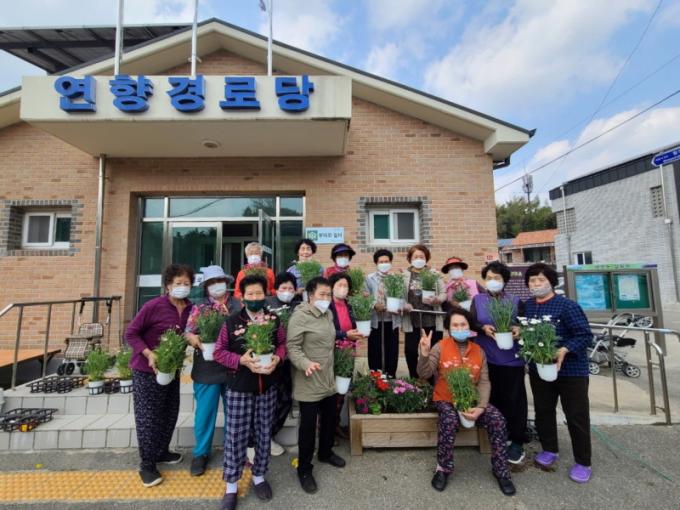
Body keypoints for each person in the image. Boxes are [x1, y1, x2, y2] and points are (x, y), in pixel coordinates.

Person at [417, 308, 516, 496]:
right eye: (455, 325)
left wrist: (481, 407)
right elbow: (424, 373)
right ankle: (443, 469)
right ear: (448, 328)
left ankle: (501, 470)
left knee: (497, 419)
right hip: (445, 398)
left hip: (472, 399)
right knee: (449, 420)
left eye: (463, 324)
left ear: (470, 327)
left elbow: (484, 382)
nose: (459, 328)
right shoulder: (440, 347)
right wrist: (424, 353)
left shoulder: (479, 351)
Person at [213, 274, 286, 510]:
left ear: (266, 294)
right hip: (239, 388)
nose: (255, 297)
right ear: (242, 297)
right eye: (250, 294)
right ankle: (231, 486)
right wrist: (240, 360)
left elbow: (283, 345)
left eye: (259, 293)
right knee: (236, 436)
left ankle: (259, 476)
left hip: (267, 388)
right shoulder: (231, 322)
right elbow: (218, 352)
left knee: (264, 433)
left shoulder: (274, 319)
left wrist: (278, 358)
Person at [523, 263, 593, 484]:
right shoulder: (528, 306)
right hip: (540, 369)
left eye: (541, 280)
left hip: (571, 371)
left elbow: (585, 335)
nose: (536, 284)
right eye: (532, 280)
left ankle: (583, 461)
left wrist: (564, 349)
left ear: (551, 282)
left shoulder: (567, 306)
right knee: (543, 410)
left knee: (576, 416)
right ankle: (549, 449)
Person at [125, 263, 194, 487]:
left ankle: (162, 451)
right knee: (149, 417)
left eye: (186, 283)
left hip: (171, 369)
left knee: (169, 411)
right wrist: (149, 353)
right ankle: (147, 465)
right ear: (167, 286)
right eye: (178, 283)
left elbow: (190, 333)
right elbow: (131, 333)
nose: (182, 287)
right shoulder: (153, 306)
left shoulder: (190, 308)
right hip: (146, 370)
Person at [287, 277, 346, 494]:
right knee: (308, 427)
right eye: (322, 294)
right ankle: (304, 469)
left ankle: (325, 453)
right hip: (309, 378)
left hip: (327, 377)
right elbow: (292, 347)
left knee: (329, 418)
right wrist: (306, 364)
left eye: (328, 294)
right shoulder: (300, 316)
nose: (326, 298)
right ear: (310, 295)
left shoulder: (328, 314)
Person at [185, 265, 242, 476]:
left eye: (220, 281)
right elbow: (188, 332)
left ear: (227, 283)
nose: (217, 285)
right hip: (207, 368)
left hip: (233, 367)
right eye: (212, 283)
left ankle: (233, 450)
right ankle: (201, 454)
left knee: (234, 414)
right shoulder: (199, 307)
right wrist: (192, 338)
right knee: (205, 413)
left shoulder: (238, 304)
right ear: (206, 286)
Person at [470, 261, 527, 464]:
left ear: (505, 281)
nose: (492, 281)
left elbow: (524, 323)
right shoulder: (478, 299)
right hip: (485, 357)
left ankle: (517, 440)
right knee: (490, 397)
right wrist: (482, 328)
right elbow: (472, 322)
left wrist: (518, 329)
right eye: (489, 278)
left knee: (514, 399)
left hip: (511, 358)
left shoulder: (515, 301)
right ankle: (496, 435)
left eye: (497, 278)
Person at [265, 271, 302, 450]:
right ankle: (260, 439)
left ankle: (269, 435)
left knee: (285, 399)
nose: (287, 292)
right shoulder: (267, 304)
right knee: (268, 400)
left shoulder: (299, 306)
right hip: (269, 359)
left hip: (289, 361)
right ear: (276, 289)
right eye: (283, 288)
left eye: (291, 288)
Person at [401, 244, 446, 379]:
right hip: (412, 320)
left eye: (421, 256)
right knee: (410, 351)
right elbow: (399, 296)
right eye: (415, 257)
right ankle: (415, 380)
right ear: (410, 259)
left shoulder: (434, 274)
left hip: (432, 319)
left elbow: (443, 293)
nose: (419, 259)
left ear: (426, 258)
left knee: (433, 352)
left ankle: (431, 380)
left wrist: (437, 299)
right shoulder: (404, 276)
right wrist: (404, 304)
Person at [328, 272, 364, 438]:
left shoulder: (349, 305)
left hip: (348, 352)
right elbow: (325, 331)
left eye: (346, 286)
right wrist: (344, 335)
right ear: (332, 287)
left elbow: (357, 324)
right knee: (331, 392)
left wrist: (359, 333)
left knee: (342, 390)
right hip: (332, 352)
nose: (343, 289)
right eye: (339, 285)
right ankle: (326, 429)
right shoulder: (327, 306)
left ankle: (335, 425)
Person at [364, 249, 401, 378]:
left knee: (392, 349)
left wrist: (397, 305)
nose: (384, 264)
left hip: (391, 320)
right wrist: (374, 304)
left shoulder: (396, 279)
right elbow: (365, 296)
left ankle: (391, 376)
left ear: (390, 262)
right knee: (375, 349)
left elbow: (401, 297)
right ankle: (376, 377)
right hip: (375, 320)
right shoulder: (369, 278)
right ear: (376, 263)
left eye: (387, 261)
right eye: (381, 262)